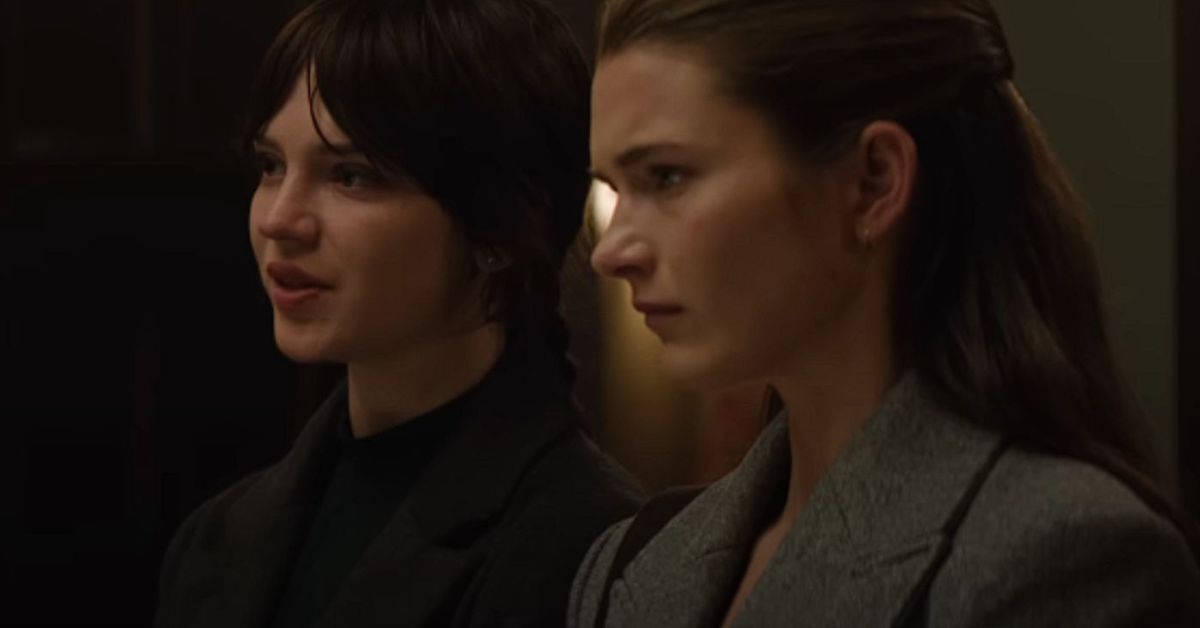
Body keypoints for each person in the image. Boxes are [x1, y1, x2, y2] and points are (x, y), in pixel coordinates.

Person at [570, 0, 1200, 626]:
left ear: (873, 181)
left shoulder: (1054, 558)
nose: (611, 251)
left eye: (668, 177)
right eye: (615, 188)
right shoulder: (629, 564)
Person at [154, 0, 642, 625]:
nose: (279, 219)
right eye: (271, 166)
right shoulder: (217, 537)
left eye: (351, 176)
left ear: (497, 226)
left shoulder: (588, 550)